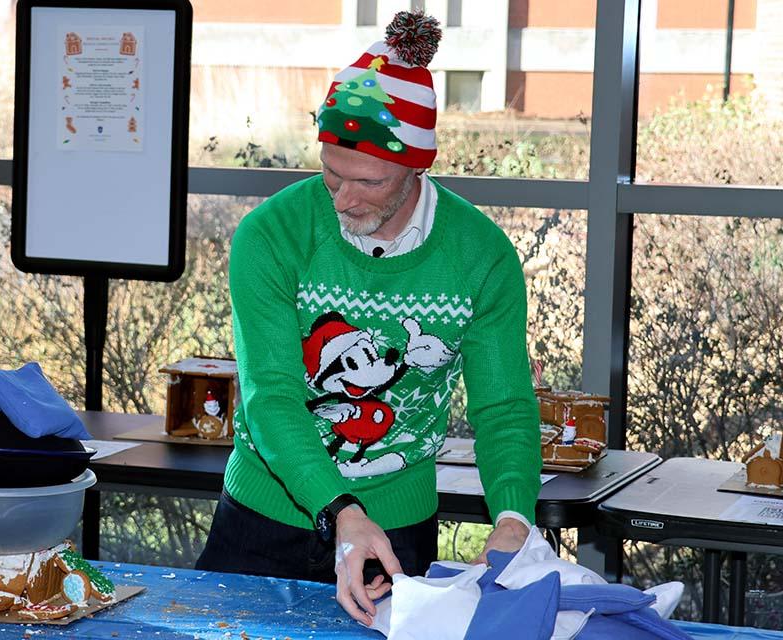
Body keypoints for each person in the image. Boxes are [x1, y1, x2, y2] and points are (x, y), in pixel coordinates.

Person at [196, 11, 542, 626]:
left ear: (416, 166)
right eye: (331, 174)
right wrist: (340, 512)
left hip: (393, 531)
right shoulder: (271, 235)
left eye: (369, 181)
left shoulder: (480, 255)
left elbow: (503, 406)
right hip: (260, 520)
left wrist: (512, 516)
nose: (343, 199)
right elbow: (271, 397)